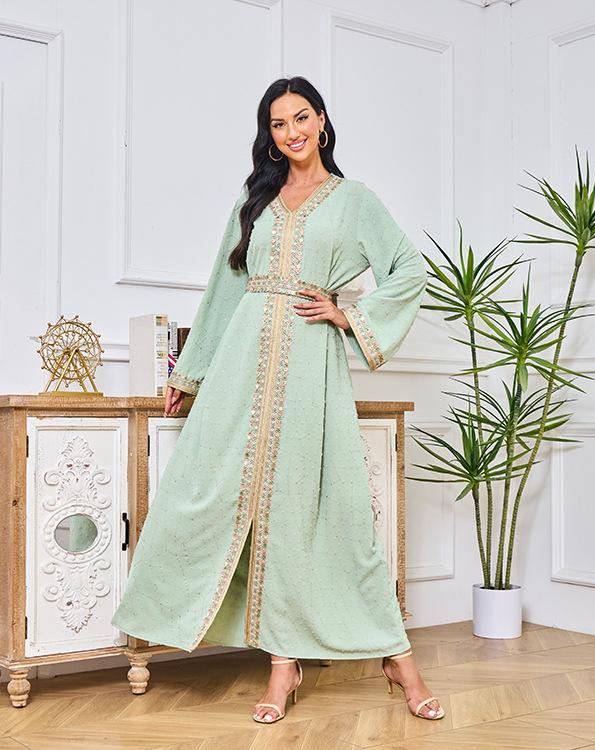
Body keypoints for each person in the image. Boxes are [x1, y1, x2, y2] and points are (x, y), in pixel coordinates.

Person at [110, 76, 445, 724]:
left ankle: (397, 659)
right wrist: (189, 375)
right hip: (240, 367)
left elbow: (409, 270)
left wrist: (348, 315)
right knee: (205, 492)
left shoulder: (354, 201)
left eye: (301, 118)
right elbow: (224, 289)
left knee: (327, 516)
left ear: (322, 121)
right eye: (278, 123)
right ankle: (282, 664)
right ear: (269, 134)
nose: (291, 132)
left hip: (311, 368)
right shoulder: (255, 198)